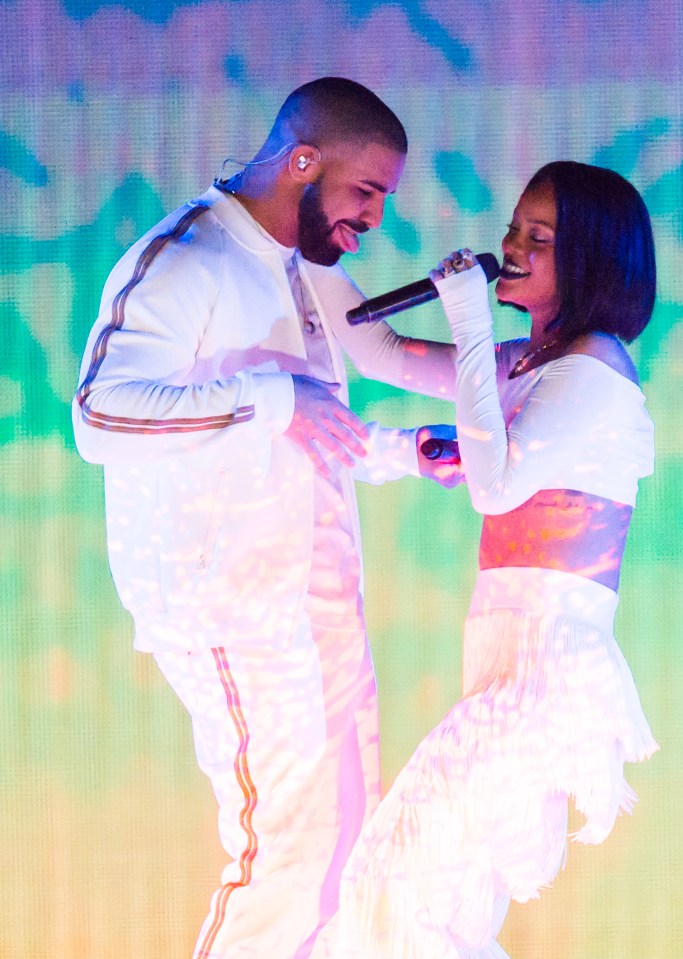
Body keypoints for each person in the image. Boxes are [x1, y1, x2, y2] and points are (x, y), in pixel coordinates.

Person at [72, 77, 463, 959]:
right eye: (367, 191)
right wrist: (267, 394)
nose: (374, 217)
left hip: (321, 602)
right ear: (303, 161)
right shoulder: (184, 258)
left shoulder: (308, 273)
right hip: (233, 609)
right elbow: (99, 414)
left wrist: (413, 446)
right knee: (286, 853)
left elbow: (341, 402)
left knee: (347, 854)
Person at [334, 161, 659, 959]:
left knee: (389, 885)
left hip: (545, 678)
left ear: (588, 259)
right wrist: (310, 252)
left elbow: (494, 482)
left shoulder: (595, 372)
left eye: (537, 238)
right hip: (503, 665)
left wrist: (472, 326)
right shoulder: (529, 361)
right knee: (421, 903)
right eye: (514, 227)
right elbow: (377, 353)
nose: (508, 245)